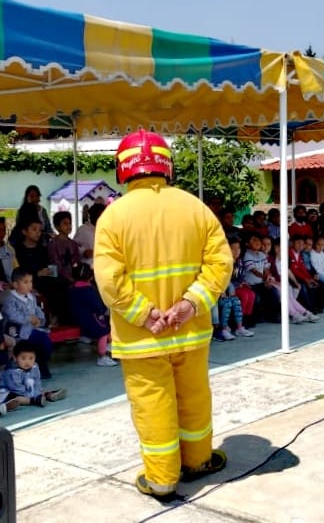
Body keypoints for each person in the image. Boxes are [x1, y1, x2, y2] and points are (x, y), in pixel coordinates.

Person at [94, 129, 233, 499]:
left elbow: (109, 281)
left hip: (142, 338)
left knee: (153, 404)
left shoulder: (113, 217)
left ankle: (161, 478)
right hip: (191, 330)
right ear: (165, 166)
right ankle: (199, 460)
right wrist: (190, 303)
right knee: (194, 397)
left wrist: (145, 314)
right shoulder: (195, 208)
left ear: (124, 170)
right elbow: (221, 262)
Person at [0, 268, 55, 378]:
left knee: (45, 342)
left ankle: (40, 366)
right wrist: (28, 318)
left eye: (30, 281)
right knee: (41, 340)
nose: (29, 285)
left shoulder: (31, 297)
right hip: (17, 332)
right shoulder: (10, 299)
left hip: (31, 329)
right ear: (15, 284)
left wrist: (40, 319)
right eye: (25, 282)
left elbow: (37, 309)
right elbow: (11, 315)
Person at [68, 264, 118, 366]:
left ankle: (108, 345)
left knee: (105, 323)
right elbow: (99, 307)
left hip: (75, 319)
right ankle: (102, 356)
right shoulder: (90, 290)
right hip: (89, 319)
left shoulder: (71, 289)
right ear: (91, 277)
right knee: (103, 330)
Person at [0, 340, 67, 407]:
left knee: (39, 390)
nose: (27, 362)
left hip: (27, 390)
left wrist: (38, 391)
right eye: (23, 358)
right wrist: (33, 395)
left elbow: (37, 381)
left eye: (31, 358)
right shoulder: (11, 371)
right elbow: (17, 389)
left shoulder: (34, 367)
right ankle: (35, 400)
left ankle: (48, 395)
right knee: (18, 399)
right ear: (15, 358)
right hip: (11, 392)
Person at [75, 203, 105, 270]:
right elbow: (74, 247)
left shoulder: (107, 229)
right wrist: (84, 252)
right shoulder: (83, 230)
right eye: (99, 216)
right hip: (88, 267)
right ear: (92, 216)